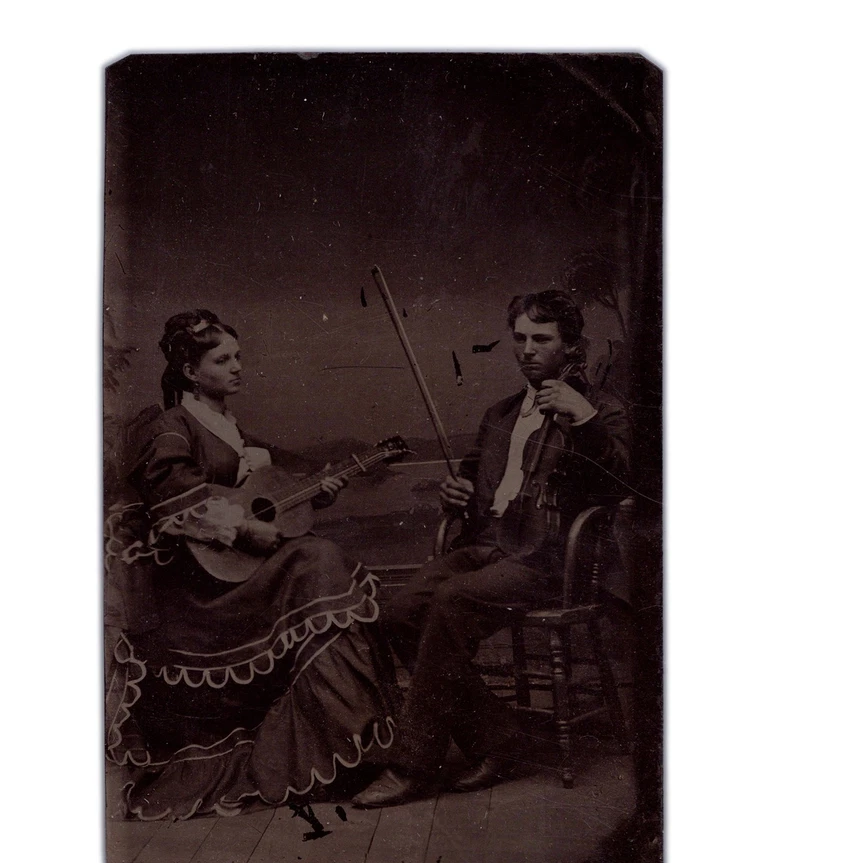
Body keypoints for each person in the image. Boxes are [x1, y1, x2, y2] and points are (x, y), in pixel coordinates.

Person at [105, 310, 400, 819]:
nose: (238, 366)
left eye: (238, 356)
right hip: (196, 582)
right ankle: (334, 748)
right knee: (319, 561)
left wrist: (316, 493)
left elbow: (267, 496)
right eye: (223, 360)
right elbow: (173, 501)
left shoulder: (230, 426)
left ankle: (346, 748)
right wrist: (242, 530)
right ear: (191, 372)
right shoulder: (171, 426)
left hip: (238, 569)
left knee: (319, 561)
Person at [352, 290, 631, 808]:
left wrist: (585, 417)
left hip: (550, 559)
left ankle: (415, 764)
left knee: (451, 600)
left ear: (571, 345)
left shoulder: (599, 407)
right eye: (520, 338)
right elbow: (475, 484)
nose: (527, 350)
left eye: (541, 339)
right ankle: (497, 736)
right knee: (398, 613)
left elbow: (623, 482)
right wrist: (456, 494)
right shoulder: (500, 413)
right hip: (489, 544)